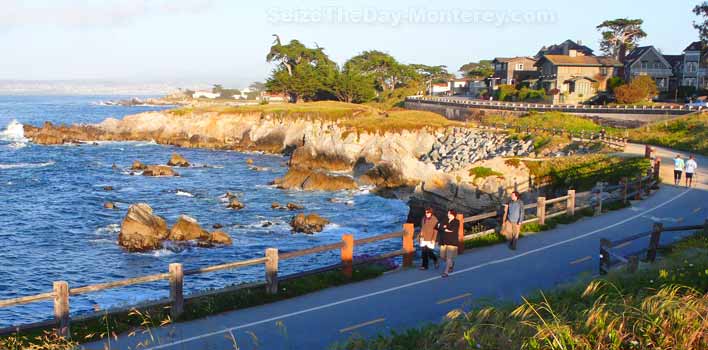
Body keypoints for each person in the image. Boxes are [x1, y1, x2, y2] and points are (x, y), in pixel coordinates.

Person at [439, 209, 460, 278]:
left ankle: (446, 272)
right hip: (443, 241)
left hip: (452, 242)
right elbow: (439, 226)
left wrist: (445, 228)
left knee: (448, 257)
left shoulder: (456, 222)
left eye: (449, 213)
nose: (447, 214)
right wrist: (445, 228)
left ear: (452, 214)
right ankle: (451, 264)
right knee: (442, 256)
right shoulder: (445, 220)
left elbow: (453, 230)